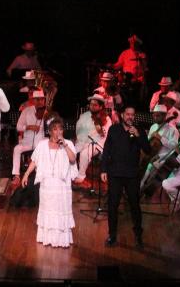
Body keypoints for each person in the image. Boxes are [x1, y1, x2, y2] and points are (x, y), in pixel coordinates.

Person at [21, 118, 78, 248]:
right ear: (50, 131)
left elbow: (73, 160)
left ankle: (62, 239)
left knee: (60, 209)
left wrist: (65, 146)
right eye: (55, 129)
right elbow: (35, 160)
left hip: (62, 185)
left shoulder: (68, 143)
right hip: (47, 185)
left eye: (60, 129)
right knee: (48, 209)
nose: (58, 132)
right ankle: (47, 238)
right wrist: (26, 174)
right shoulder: (42, 144)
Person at [101, 106, 151, 249]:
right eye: (128, 114)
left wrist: (139, 136)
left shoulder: (139, 131)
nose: (130, 117)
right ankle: (112, 235)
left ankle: (138, 235)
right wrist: (103, 169)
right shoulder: (114, 129)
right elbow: (107, 150)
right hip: (115, 173)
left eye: (132, 115)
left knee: (135, 205)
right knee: (113, 205)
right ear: (122, 115)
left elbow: (148, 150)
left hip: (132, 175)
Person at [74, 95, 113, 186]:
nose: (92, 106)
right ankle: (72, 172)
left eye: (95, 105)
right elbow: (78, 129)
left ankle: (81, 175)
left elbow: (105, 135)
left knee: (84, 153)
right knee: (72, 151)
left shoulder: (106, 119)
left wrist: (97, 124)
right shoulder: (84, 116)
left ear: (100, 106)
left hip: (97, 143)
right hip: (83, 141)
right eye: (91, 104)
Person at [12, 89, 47, 184]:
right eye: (37, 99)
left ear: (44, 100)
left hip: (41, 141)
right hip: (27, 141)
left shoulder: (47, 112)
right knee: (17, 149)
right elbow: (18, 127)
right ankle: (16, 175)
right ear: (33, 100)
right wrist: (28, 127)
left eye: (42, 99)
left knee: (45, 147)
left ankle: (41, 174)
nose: (40, 102)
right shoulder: (26, 111)